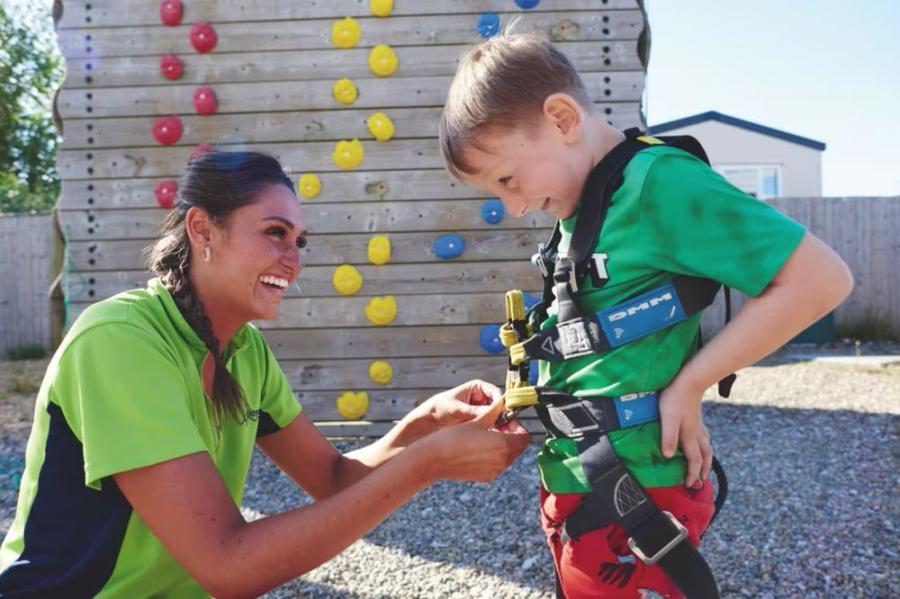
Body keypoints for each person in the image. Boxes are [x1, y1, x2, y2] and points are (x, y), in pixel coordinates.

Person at [0, 150, 531, 597]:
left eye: (299, 241)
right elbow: (227, 564)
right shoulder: (119, 341)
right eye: (275, 232)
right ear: (202, 229)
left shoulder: (245, 350)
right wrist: (427, 464)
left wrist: (426, 423)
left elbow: (331, 480)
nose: (292, 259)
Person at [438, 33, 853, 598]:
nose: (513, 206)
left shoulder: (657, 183)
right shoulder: (586, 206)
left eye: (508, 180)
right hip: (584, 484)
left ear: (561, 119)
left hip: (635, 496)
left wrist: (691, 383)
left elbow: (820, 280)